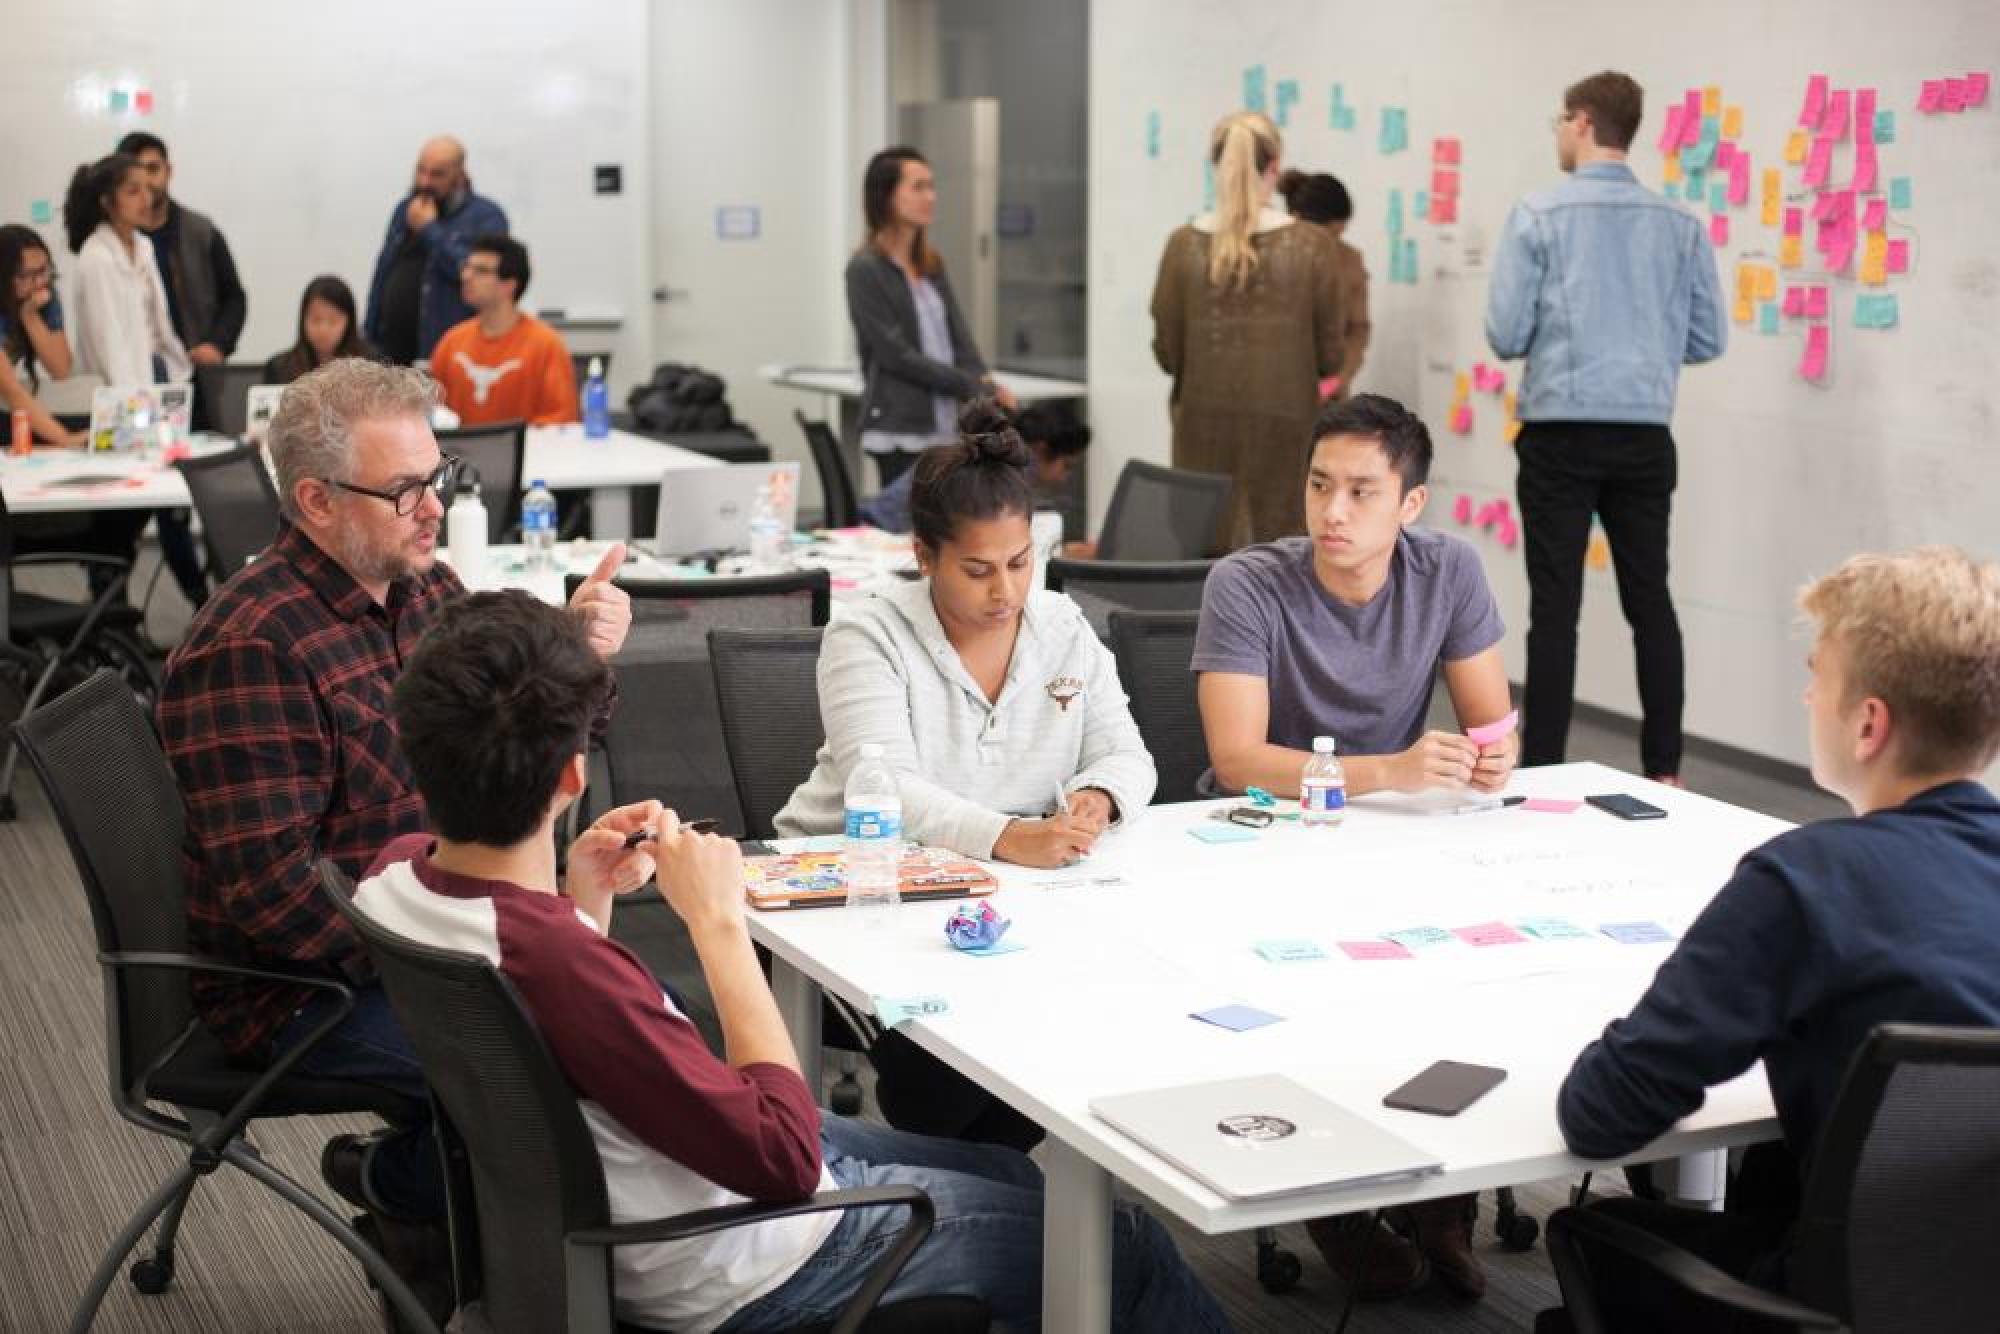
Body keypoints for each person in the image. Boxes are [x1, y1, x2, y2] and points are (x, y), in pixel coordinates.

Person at [354, 588, 1229, 1334]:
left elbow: (553, 1022)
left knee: (1012, 1173)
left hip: (627, 1213)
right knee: (1123, 1244)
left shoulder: (396, 879)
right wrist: (719, 924)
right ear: (574, 779)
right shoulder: (567, 967)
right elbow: (776, 1153)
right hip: (750, 1260)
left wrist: (581, 892)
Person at [154, 358, 631, 1314]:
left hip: (428, 929)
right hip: (299, 992)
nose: (433, 507)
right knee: (555, 1066)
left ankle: (426, 1209)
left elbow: (514, 738)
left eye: (438, 476)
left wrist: (574, 656)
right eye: (405, 489)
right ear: (316, 502)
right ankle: (430, 1212)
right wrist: (467, 946)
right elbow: (281, 902)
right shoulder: (251, 648)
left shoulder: (422, 589)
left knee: (610, 1040)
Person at [1540, 546, 2000, 1334]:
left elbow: (1601, 1112)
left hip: (1842, 1299)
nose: (1806, 692)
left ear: (1867, 723)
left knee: (1587, 1233)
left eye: (1818, 673)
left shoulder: (1807, 884)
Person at [1194, 393, 1515, 1301]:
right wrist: (1395, 771)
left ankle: (1446, 1203)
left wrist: (1489, 759)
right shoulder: (1248, 583)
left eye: (1363, 492)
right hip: (1260, 843)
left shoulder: (1449, 569)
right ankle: (1333, 1199)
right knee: (1315, 1005)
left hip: (1392, 843)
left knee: (1465, 979)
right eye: (1320, 485)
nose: (1334, 512)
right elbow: (1237, 760)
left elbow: (1497, 724)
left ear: (1410, 505)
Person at [775, 398, 1155, 1149]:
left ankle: (993, 1213)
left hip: (1004, 890)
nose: (1006, 591)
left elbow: (1127, 752)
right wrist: (1013, 836)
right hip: (843, 894)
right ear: (924, 556)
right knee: (948, 1080)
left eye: (1020, 564)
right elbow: (887, 791)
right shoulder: (867, 632)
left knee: (1084, 1023)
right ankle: (966, 1214)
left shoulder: (1061, 627)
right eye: (978, 570)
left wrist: (1096, 797)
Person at [1485, 70, 1725, 786]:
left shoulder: (1536, 215)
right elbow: (1707, 339)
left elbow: (1504, 332)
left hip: (1559, 433)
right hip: (1645, 436)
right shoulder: (1680, 225)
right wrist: (1644, 345)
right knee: (1650, 597)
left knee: (1555, 608)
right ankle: (1666, 770)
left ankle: (1546, 769)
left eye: (1560, 119)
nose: (1558, 132)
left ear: (1584, 121)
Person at [1150, 111, 1344, 546]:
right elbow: (1331, 357)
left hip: (1201, 437)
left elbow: (1167, 354)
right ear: (1275, 165)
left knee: (1202, 573)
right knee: (1283, 569)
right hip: (1287, 440)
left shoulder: (1183, 246)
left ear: (1215, 165)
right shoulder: (1313, 246)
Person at [64, 153, 208, 607]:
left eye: (148, 188)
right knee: (122, 518)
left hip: (153, 384)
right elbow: (109, 346)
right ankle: (108, 613)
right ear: (107, 202)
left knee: (161, 505)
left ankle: (179, 606)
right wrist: (139, 413)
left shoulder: (142, 248)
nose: (146, 197)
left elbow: (161, 327)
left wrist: (177, 382)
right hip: (119, 396)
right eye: (133, 190)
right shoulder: (95, 257)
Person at [846, 145, 1013, 490]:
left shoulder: (930, 264)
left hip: (946, 422)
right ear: (886, 196)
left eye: (931, 186)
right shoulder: (865, 269)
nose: (931, 196)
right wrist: (968, 384)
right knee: (910, 533)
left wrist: (985, 384)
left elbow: (960, 338)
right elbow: (896, 356)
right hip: (899, 427)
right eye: (918, 187)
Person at [860, 401, 1090, 551]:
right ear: (1041, 449)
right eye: (1066, 466)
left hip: (877, 523)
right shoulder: (1009, 469)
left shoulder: (995, 448)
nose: (1065, 477)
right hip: (886, 534)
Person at [364, 136, 508, 365]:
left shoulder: (487, 217)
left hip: (446, 357)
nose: (425, 182)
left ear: (460, 176)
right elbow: (382, 275)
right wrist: (367, 341)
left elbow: (474, 275)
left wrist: (429, 230)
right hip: (390, 357)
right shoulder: (405, 210)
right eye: (421, 170)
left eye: (437, 174)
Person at [116, 132, 248, 373]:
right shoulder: (117, 244)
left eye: (153, 169)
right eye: (136, 178)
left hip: (199, 372)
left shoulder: (200, 231)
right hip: (137, 374)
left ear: (169, 171)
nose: (147, 183)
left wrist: (217, 345)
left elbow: (234, 297)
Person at [427, 234, 577, 426]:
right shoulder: (451, 341)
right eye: (467, 267)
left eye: (480, 270)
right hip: (460, 454)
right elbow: (430, 411)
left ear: (509, 285)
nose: (466, 276)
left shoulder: (547, 345)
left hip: (526, 453)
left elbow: (562, 419)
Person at [1276, 169, 1371, 399]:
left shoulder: (1351, 260)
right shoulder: (1272, 259)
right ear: (1297, 220)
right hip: (1277, 395)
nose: (1335, 242)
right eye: (1331, 233)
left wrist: (1338, 378)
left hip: (1331, 399)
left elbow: (1358, 329)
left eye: (1341, 232)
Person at [0, 223, 81, 444]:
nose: (40, 282)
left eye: (44, 270)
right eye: (27, 274)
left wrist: (30, 317)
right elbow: (10, 389)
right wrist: (66, 439)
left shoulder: (42, 296)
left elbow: (61, 370)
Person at [262, 275, 379, 384]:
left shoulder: (370, 364)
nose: (323, 330)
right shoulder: (280, 368)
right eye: (315, 319)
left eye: (333, 321)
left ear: (349, 321)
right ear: (303, 319)